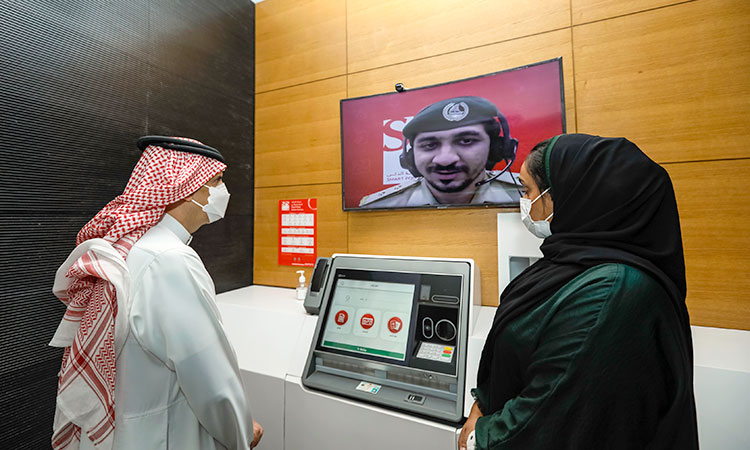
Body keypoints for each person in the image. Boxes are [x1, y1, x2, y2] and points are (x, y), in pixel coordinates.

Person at [458, 134, 699, 449]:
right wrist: (484, 403)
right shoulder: (568, 266)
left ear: (572, 196)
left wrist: (480, 436)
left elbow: (554, 416)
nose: (525, 202)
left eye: (528, 190)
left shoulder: (613, 293)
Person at [49, 136, 263, 450]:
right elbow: (209, 379)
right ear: (186, 189)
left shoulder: (134, 248)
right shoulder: (169, 260)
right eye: (216, 180)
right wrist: (242, 432)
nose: (223, 191)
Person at [359, 96, 522, 208]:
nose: (445, 159)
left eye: (466, 141)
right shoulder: (378, 206)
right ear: (410, 156)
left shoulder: (526, 197)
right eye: (429, 145)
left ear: (496, 148)